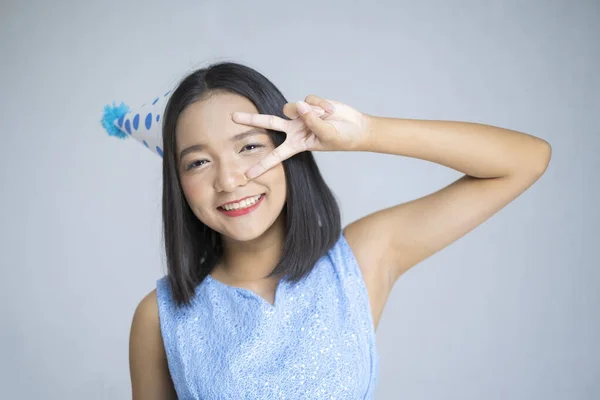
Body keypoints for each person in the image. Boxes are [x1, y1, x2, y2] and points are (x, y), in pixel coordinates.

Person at [127, 61, 551, 399]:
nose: (230, 179)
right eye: (198, 161)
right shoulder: (159, 317)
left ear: (287, 148)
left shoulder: (360, 261)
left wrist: (366, 132)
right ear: (178, 184)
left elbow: (526, 160)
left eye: (250, 146)